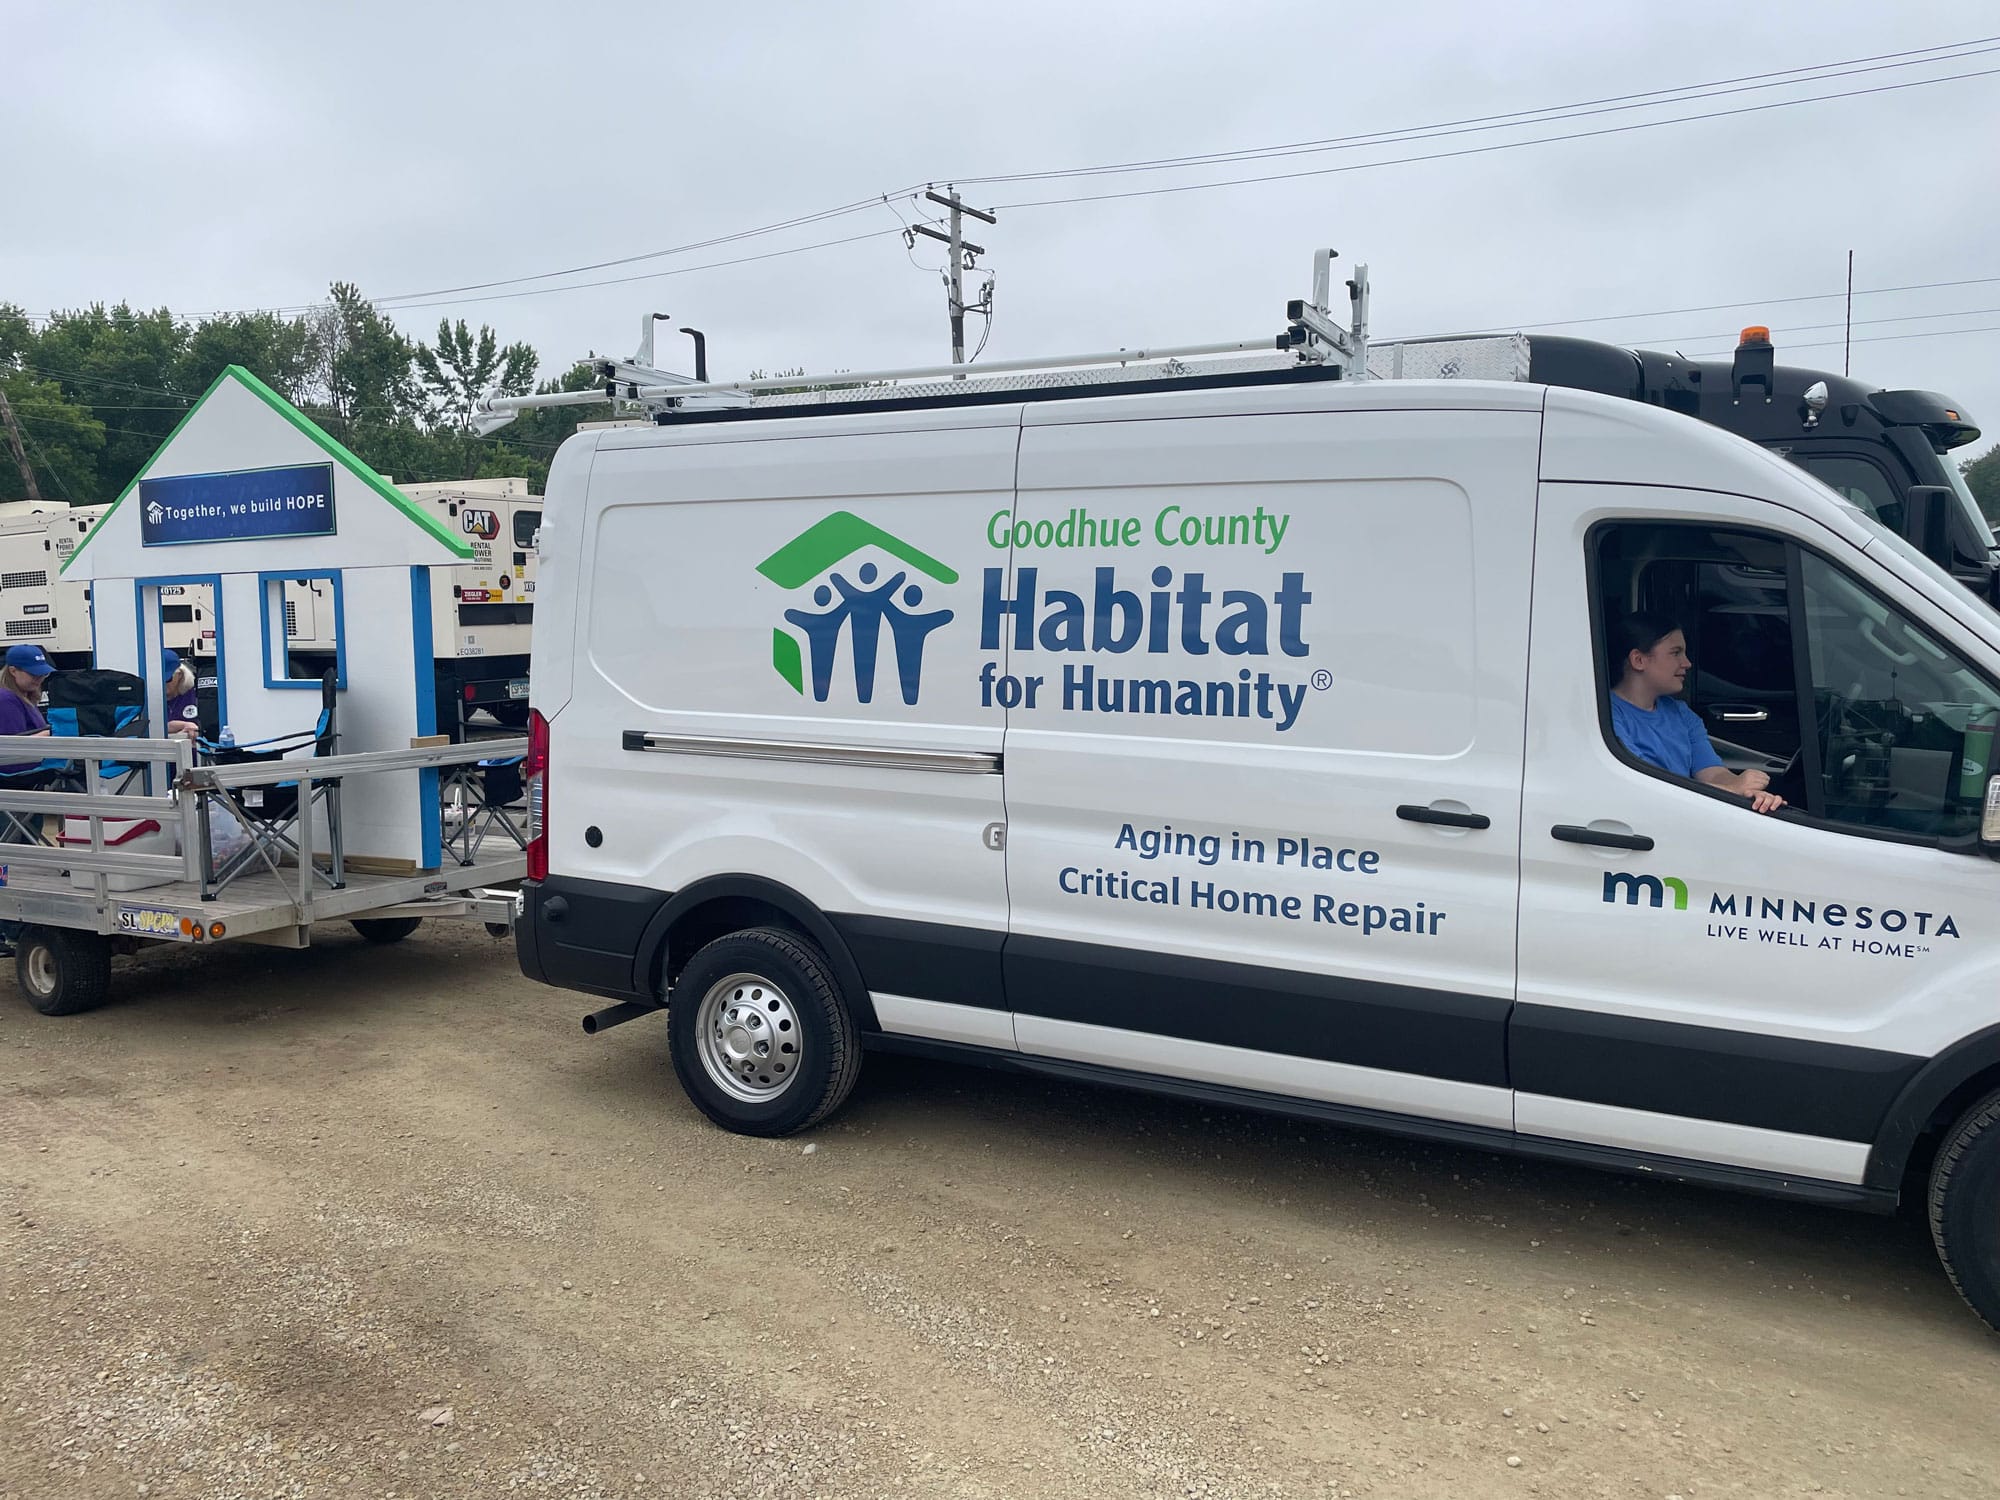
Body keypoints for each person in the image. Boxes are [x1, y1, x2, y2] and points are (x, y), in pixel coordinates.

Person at [1609, 612, 1786, 815]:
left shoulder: (1681, 714)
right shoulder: (1607, 717)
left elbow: (1712, 773)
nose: (1687, 663)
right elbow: (1644, 786)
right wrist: (1730, 790)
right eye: (1676, 653)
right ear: (1638, 660)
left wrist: (1743, 789)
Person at [0, 643, 57, 956]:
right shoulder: (6, 699)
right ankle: (8, 928)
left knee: (19, 854)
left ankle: (11, 926)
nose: (40, 679)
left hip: (23, 790)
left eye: (42, 674)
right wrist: (51, 737)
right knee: (11, 857)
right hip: (14, 788)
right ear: (13, 671)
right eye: (33, 674)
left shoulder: (21, 698)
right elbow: (11, 754)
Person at [162, 650, 200, 741]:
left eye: (167, 679)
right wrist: (182, 725)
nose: (163, 683)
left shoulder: (195, 694)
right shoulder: (149, 698)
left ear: (180, 675)